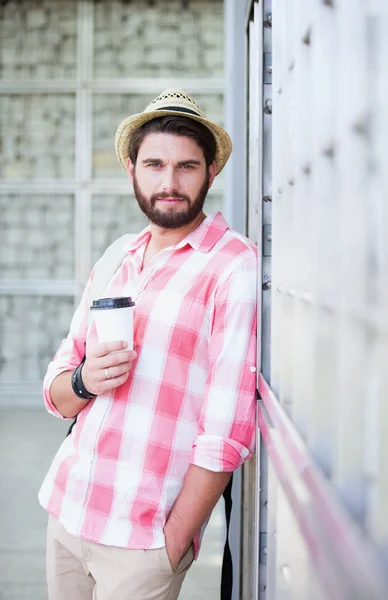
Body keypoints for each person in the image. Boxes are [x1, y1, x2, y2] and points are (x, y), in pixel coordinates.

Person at [39, 88, 257, 600]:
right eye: (154, 164)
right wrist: (83, 380)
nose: (170, 183)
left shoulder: (232, 266)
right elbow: (56, 389)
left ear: (211, 173)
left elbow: (226, 428)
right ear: (132, 170)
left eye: (187, 166)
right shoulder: (118, 257)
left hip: (144, 539)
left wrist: (174, 539)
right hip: (69, 513)